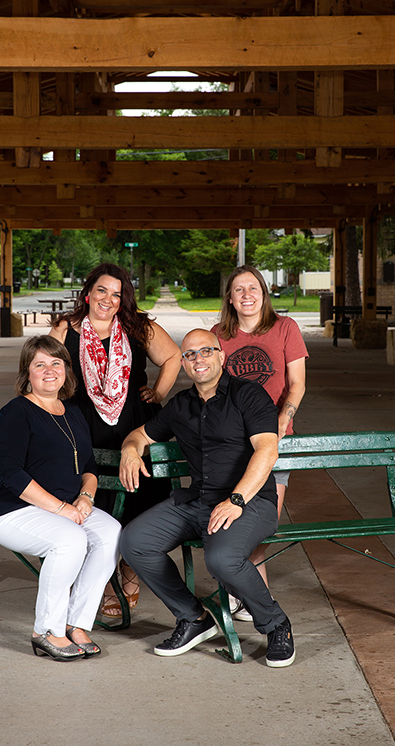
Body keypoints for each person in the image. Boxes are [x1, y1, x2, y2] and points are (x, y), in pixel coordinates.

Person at [119, 329, 295, 667]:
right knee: (134, 541)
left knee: (222, 559)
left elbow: (267, 451)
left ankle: (276, 625)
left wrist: (237, 499)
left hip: (251, 502)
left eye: (205, 351)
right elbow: (140, 435)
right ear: (183, 363)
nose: (198, 359)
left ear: (221, 356)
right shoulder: (180, 406)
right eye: (190, 354)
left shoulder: (249, 395)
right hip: (197, 500)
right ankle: (194, 618)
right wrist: (130, 450)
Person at [50, 263, 181, 616]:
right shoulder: (66, 328)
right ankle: (104, 578)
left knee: (140, 497)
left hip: (135, 424)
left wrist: (158, 391)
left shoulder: (139, 327)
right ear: (88, 292)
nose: (108, 299)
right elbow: (48, 367)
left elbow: (173, 356)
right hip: (84, 423)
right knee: (96, 501)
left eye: (117, 294)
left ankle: (131, 567)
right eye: (102, 290)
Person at [0, 335, 121, 661]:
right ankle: (46, 630)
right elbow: (11, 474)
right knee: (70, 540)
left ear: (66, 370)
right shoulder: (16, 413)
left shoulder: (72, 413)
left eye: (56, 363)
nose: (49, 371)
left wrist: (86, 497)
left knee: (111, 533)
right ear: (26, 373)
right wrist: (61, 508)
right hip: (13, 511)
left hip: (65, 508)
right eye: (39, 365)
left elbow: (87, 465)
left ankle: (76, 623)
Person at [211, 265, 308, 620]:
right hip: (231, 446)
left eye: (253, 288)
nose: (247, 295)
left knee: (258, 530)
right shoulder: (218, 335)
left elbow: (296, 382)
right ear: (230, 299)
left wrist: (286, 414)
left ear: (264, 294)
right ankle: (253, 599)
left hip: (273, 443)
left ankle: (246, 596)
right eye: (239, 290)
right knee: (232, 526)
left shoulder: (285, 328)